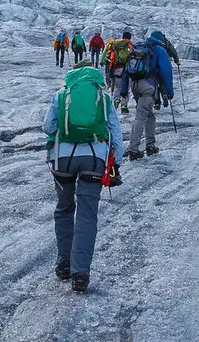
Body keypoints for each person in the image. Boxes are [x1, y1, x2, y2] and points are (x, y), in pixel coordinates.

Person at [40, 63, 122, 293]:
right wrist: (117, 161)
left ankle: (63, 263)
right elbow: (114, 130)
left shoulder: (62, 94)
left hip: (63, 160)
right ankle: (80, 274)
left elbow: (48, 126)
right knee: (87, 215)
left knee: (64, 208)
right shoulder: (103, 98)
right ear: (95, 78)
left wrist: (64, 134)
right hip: (94, 158)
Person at [115, 30, 174, 160]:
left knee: (149, 114)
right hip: (148, 85)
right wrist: (169, 91)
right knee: (141, 115)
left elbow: (126, 69)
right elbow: (166, 70)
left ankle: (150, 145)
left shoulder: (139, 48)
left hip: (135, 85)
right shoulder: (159, 50)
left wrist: (124, 89)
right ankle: (133, 149)